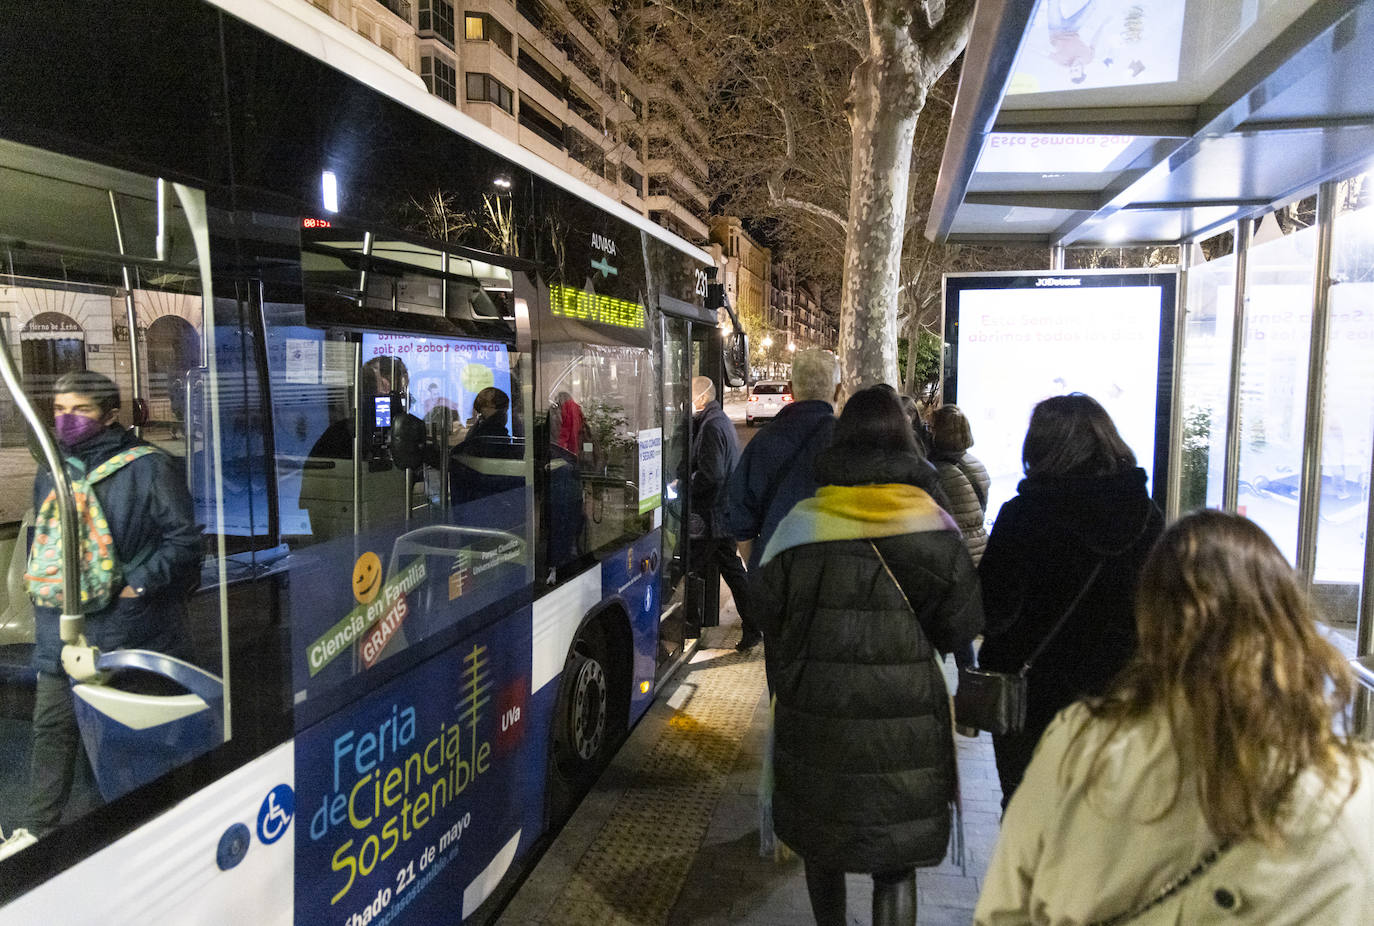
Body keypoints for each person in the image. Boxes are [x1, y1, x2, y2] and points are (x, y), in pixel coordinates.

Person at [975, 511, 1374, 924]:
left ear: (1152, 622)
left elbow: (1003, 909)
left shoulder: (1081, 746)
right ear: (1289, 619)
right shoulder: (1353, 792)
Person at [753, 386, 983, 926]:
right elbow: (961, 624)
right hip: (906, 721)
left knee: (821, 843)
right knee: (895, 858)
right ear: (906, 441)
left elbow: (768, 613)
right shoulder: (931, 525)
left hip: (816, 713)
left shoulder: (802, 524)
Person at [25, 371, 202, 838]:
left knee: (131, 737)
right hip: (60, 628)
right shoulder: (52, 471)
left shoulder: (149, 466)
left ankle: (141, 830)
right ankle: (36, 830)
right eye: (60, 410)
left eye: (80, 410)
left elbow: (184, 543)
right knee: (53, 730)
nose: (67, 420)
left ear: (111, 415)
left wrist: (137, 586)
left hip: (129, 630)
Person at [976, 393, 1163, 808]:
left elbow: (992, 611)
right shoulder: (1147, 517)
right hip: (1119, 696)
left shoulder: (1023, 516)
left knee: (1029, 819)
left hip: (1032, 701)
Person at [727, 348, 837, 579]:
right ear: (837, 391)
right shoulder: (848, 441)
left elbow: (740, 516)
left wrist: (758, 570)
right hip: (834, 576)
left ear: (791, 388)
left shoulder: (764, 440)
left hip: (775, 573)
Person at [677, 376, 754, 650]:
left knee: (691, 567)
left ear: (701, 398)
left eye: (692, 399)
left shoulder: (711, 426)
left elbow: (712, 474)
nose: (690, 404)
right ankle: (753, 625)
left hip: (711, 516)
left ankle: (690, 626)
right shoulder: (720, 421)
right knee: (732, 570)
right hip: (722, 513)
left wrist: (685, 486)